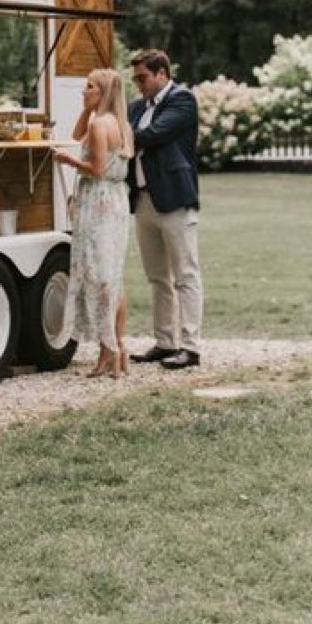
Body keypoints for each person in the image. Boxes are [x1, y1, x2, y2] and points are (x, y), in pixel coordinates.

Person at [53, 68, 133, 379]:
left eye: (89, 88)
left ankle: (108, 350)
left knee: (100, 275)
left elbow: (96, 169)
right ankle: (116, 347)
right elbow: (76, 135)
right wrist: (87, 109)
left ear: (102, 92)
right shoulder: (121, 124)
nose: (83, 91)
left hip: (97, 202)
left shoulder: (101, 126)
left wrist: (68, 160)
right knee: (113, 275)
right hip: (115, 201)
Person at [126, 48, 203, 370]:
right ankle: (164, 341)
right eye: (135, 79)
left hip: (173, 197)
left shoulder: (182, 100)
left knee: (185, 274)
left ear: (162, 74)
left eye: (143, 78)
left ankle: (191, 346)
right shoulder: (135, 107)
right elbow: (131, 139)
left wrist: (115, 135)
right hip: (143, 199)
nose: (139, 85)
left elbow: (152, 135)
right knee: (157, 276)